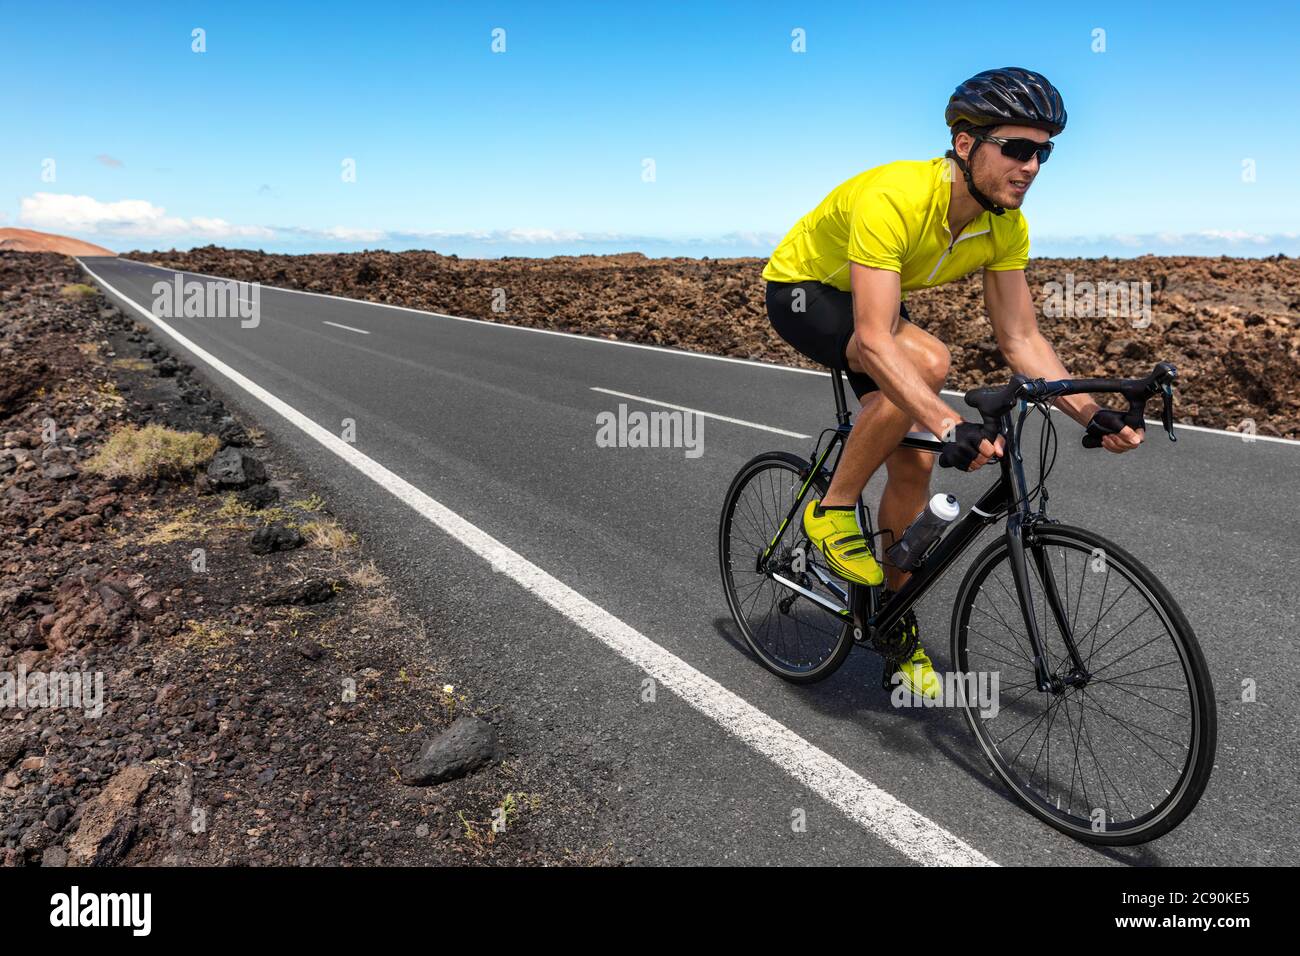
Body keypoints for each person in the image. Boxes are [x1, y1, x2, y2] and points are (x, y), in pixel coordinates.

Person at [762, 67, 1143, 698]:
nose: (1033, 166)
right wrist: (948, 423)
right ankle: (828, 513)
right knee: (930, 361)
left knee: (914, 471)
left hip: (872, 305)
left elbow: (1021, 340)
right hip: (804, 292)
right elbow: (876, 340)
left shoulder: (1006, 226)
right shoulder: (896, 197)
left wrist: (1092, 414)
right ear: (965, 144)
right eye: (1017, 148)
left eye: (1044, 151)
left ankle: (891, 627)